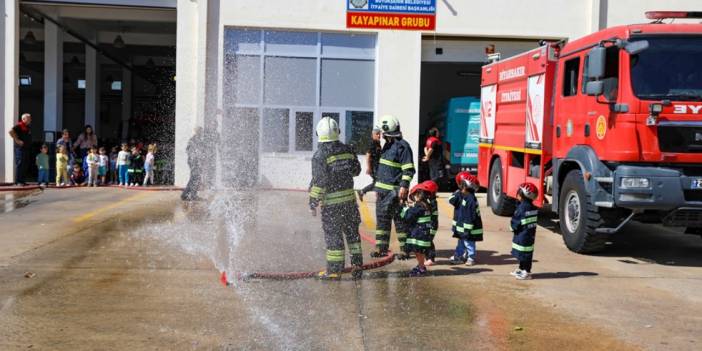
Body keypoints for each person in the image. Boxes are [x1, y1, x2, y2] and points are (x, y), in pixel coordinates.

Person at [309, 116, 364, 280]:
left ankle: (334, 272)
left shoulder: (320, 155)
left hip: (332, 207)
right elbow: (356, 171)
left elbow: (320, 181)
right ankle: (357, 266)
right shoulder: (348, 149)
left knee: (334, 238)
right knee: (353, 236)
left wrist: (313, 200)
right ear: (337, 132)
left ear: (318, 133)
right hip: (350, 204)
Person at [371, 115, 415, 260]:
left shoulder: (403, 147)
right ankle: (381, 248)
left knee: (400, 221)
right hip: (382, 192)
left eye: (382, 133)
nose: (381, 135)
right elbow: (381, 170)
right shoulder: (386, 146)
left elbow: (409, 170)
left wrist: (404, 186)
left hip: (395, 192)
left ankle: (405, 250)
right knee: (382, 220)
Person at [401, 182, 436, 276]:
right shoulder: (426, 205)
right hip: (424, 233)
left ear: (418, 195)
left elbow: (407, 217)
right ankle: (420, 266)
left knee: (418, 252)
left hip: (418, 235)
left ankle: (421, 268)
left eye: (414, 195)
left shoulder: (418, 206)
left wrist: (405, 209)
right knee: (420, 252)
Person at [449, 172, 483, 266]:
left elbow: (469, 216)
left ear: (466, 187)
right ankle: (459, 256)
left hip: (469, 229)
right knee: (461, 243)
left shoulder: (470, 200)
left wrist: (466, 229)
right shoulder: (466, 197)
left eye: (462, 186)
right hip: (464, 228)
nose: (460, 188)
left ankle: (471, 258)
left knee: (469, 243)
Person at [510, 182, 539, 280]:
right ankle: (522, 269)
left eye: (519, 192)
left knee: (524, 254)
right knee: (525, 253)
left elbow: (516, 220)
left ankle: (526, 272)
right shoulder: (532, 207)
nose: (517, 194)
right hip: (529, 235)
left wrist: (512, 227)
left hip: (522, 235)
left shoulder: (522, 208)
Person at [357, 126, 382, 202]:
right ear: (373, 135)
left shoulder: (378, 144)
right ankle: (363, 191)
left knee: (378, 182)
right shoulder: (373, 144)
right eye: (377, 134)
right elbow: (368, 156)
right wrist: (369, 168)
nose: (379, 135)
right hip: (374, 167)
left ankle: (363, 192)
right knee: (378, 183)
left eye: (379, 134)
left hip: (377, 167)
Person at [8, 113, 32, 186]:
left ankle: (22, 181)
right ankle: (18, 181)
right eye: (29, 118)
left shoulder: (27, 127)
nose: (30, 119)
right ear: (23, 119)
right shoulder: (19, 125)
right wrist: (17, 140)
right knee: (20, 164)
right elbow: (10, 131)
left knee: (25, 164)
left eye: (30, 118)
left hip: (26, 148)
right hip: (20, 149)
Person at [182, 128, 205, 201]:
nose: (202, 133)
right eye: (201, 131)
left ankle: (186, 194)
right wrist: (194, 160)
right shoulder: (193, 140)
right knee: (195, 177)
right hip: (193, 162)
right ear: (198, 132)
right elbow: (188, 150)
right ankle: (192, 195)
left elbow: (201, 151)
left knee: (194, 177)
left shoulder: (198, 140)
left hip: (195, 161)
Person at [421, 180, 439, 266]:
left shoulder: (432, 202)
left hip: (432, 225)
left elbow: (430, 211)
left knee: (428, 241)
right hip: (428, 224)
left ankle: (431, 258)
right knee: (426, 240)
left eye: (424, 191)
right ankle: (428, 257)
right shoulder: (428, 200)